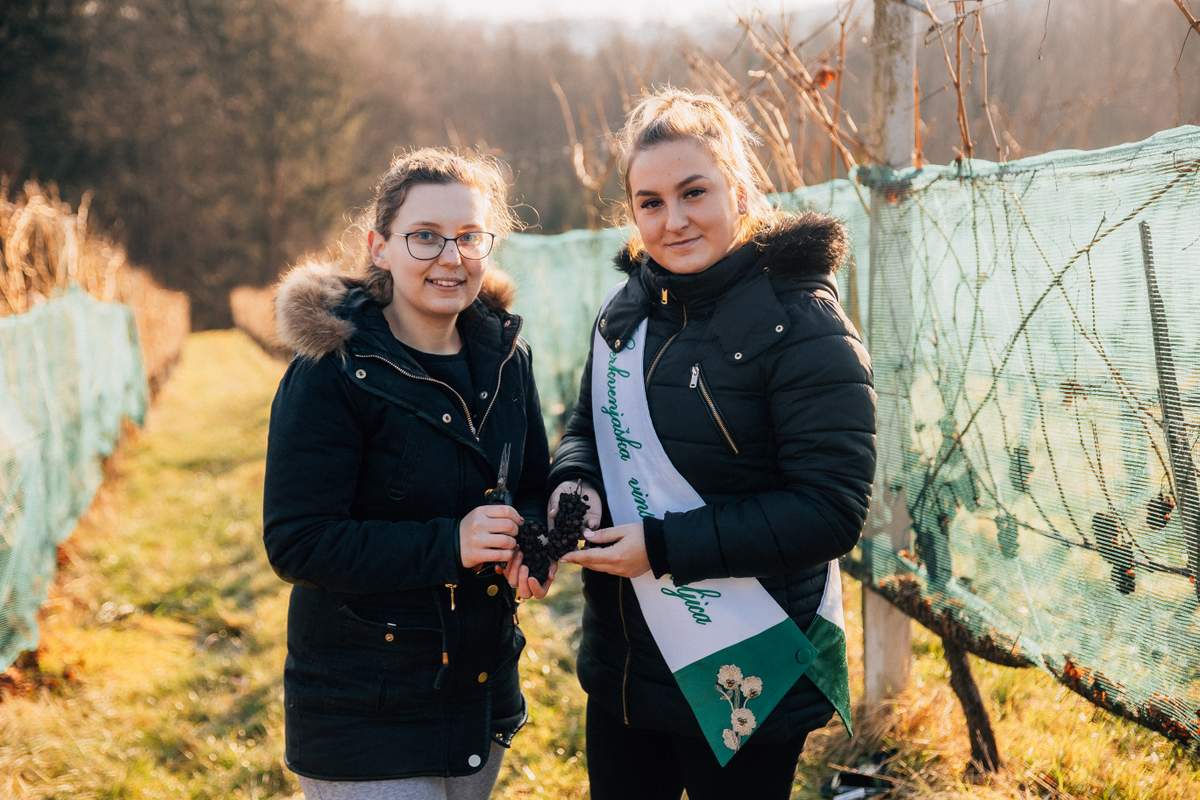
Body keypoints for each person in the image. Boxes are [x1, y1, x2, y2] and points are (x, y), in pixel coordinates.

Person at [545, 89, 877, 799]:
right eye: (651, 202)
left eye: (694, 192)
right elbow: (585, 432)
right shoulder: (624, 309)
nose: (674, 220)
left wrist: (661, 548)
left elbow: (829, 511)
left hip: (748, 671)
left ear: (742, 189)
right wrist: (574, 484)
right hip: (626, 666)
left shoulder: (803, 324)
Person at [263, 147, 552, 799]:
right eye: (425, 237)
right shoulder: (332, 372)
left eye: (469, 237)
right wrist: (451, 543)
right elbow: (297, 542)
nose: (451, 258)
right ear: (380, 246)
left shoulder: (507, 358)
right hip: (365, 706)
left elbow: (531, 479)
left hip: (479, 688)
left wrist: (535, 544)